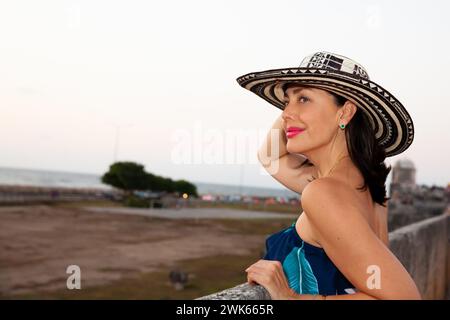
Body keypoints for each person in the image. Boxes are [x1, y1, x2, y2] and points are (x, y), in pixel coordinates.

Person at [237, 51, 421, 300]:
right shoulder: (366, 188)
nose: (284, 113)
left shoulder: (323, 192)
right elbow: (271, 157)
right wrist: (296, 107)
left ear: (344, 113)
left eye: (304, 98)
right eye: (286, 101)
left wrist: (291, 298)